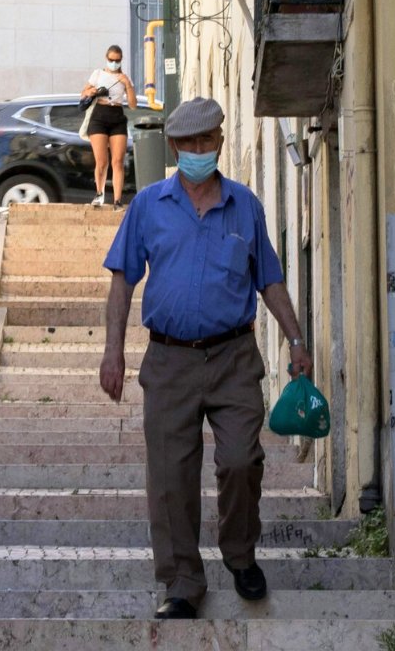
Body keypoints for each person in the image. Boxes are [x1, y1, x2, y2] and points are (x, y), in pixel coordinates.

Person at [98, 97, 313, 620]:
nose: (199, 149)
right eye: (189, 142)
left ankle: (240, 554)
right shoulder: (149, 206)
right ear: (174, 147)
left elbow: (269, 279)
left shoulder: (246, 206)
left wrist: (296, 339)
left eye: (207, 139)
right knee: (170, 476)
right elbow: (123, 280)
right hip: (168, 360)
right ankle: (181, 583)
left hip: (234, 357)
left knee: (241, 460)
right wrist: (112, 352)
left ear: (219, 139)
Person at [79, 44, 136, 211]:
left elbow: (133, 105)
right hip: (99, 115)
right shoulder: (98, 74)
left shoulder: (124, 78)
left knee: (117, 161)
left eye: (117, 60)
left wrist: (127, 85)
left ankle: (117, 201)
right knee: (101, 161)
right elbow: (83, 94)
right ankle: (99, 194)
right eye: (111, 60)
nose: (114, 63)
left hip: (117, 115)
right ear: (106, 58)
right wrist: (91, 92)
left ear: (121, 60)